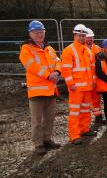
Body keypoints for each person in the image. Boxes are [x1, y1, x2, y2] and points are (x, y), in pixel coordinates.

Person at [19, 20, 61, 155]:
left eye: (41, 32)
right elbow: (32, 67)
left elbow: (58, 62)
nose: (39, 34)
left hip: (50, 89)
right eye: (36, 32)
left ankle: (47, 139)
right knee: (37, 120)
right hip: (36, 91)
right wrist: (49, 75)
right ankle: (38, 144)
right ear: (30, 34)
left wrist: (57, 72)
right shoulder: (26, 49)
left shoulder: (49, 49)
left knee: (50, 117)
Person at [61, 24, 96, 145]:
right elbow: (66, 69)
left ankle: (84, 129)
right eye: (80, 35)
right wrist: (70, 84)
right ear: (74, 35)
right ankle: (74, 135)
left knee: (86, 109)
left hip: (87, 87)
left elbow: (92, 68)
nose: (82, 38)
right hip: (76, 87)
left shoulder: (87, 51)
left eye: (83, 36)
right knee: (75, 111)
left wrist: (93, 82)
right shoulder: (68, 50)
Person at [84, 28, 104, 124]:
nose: (90, 39)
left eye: (91, 37)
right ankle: (85, 122)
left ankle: (98, 116)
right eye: (88, 38)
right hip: (86, 78)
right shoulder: (81, 49)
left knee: (96, 98)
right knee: (86, 100)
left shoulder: (98, 48)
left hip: (97, 77)